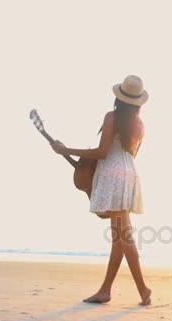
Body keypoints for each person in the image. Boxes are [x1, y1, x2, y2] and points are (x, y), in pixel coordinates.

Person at [51, 75, 151, 305]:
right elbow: (129, 154)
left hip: (113, 175)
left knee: (125, 237)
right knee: (119, 237)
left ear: (119, 98)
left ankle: (144, 289)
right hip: (129, 173)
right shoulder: (140, 125)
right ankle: (105, 290)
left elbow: (103, 152)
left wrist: (67, 149)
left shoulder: (111, 117)